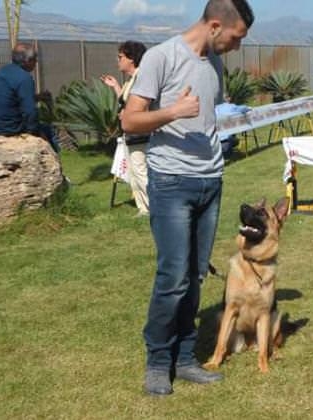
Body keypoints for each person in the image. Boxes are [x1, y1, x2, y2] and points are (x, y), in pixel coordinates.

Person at [121, 0, 254, 396]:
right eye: (236, 37)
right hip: (172, 182)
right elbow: (129, 119)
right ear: (215, 25)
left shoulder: (213, 63)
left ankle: (185, 356)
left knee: (195, 277)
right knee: (173, 278)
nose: (237, 45)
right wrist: (173, 112)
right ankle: (158, 362)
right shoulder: (162, 57)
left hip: (210, 183)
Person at [100, 41, 149, 216]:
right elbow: (126, 101)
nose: (118, 60)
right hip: (131, 133)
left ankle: (150, 208)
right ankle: (143, 207)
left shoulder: (142, 78)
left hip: (141, 133)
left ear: (131, 58)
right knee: (135, 172)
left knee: (141, 171)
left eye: (121, 57)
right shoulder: (130, 80)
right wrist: (115, 87)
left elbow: (141, 105)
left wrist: (127, 115)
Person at [0, 43, 59, 153]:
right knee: (48, 131)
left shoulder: (2, 72)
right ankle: (54, 161)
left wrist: (38, 97)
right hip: (9, 129)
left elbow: (11, 100)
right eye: (34, 59)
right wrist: (31, 134)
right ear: (27, 60)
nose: (36, 62)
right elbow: (30, 111)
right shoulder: (24, 78)